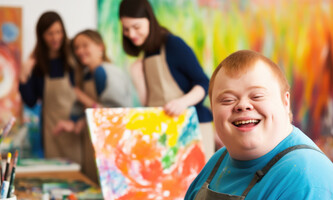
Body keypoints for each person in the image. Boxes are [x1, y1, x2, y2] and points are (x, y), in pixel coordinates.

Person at [157, 50, 333, 200]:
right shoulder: (218, 161)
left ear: (285, 102)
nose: (243, 105)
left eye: (257, 96)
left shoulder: (307, 181)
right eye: (227, 100)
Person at [119, 0, 215, 161]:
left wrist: (182, 102)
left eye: (136, 27)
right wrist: (137, 76)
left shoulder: (173, 45)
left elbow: (204, 83)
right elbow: (148, 103)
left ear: (150, 19)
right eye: (126, 29)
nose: (132, 34)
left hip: (193, 127)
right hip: (164, 131)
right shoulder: (145, 56)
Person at [54, 29, 134, 183]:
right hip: (93, 141)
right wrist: (74, 122)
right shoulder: (86, 74)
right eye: (76, 47)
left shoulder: (104, 72)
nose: (79, 51)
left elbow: (116, 114)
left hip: (112, 143)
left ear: (100, 47)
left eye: (85, 45)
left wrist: (83, 98)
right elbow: (86, 112)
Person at [19, 11, 82, 164]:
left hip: (76, 128)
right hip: (50, 130)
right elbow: (31, 101)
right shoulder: (37, 63)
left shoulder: (75, 54)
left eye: (58, 32)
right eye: (49, 33)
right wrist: (23, 78)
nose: (55, 38)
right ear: (41, 36)